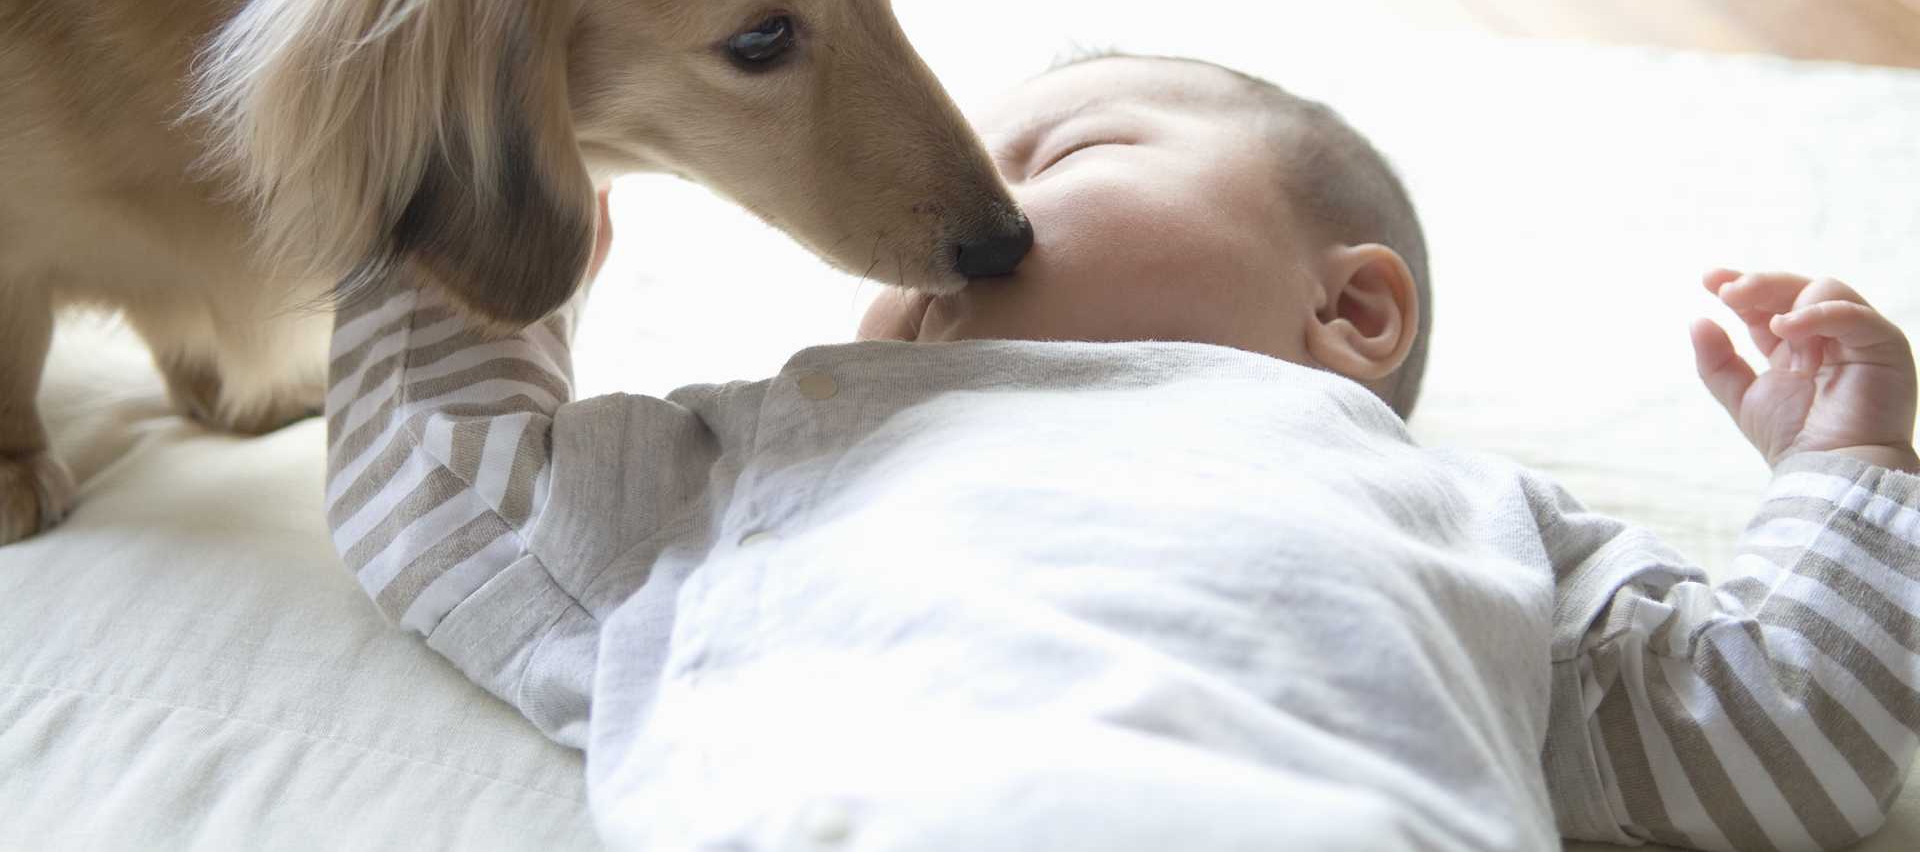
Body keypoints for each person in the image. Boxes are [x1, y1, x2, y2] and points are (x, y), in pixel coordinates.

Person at [324, 53, 1919, 851]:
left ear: (1350, 309)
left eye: (1057, 155)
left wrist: (1847, 458)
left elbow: (1780, 736)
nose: (945, 222)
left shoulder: (1475, 520)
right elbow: (447, 486)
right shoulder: (774, 443)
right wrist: (469, 245)